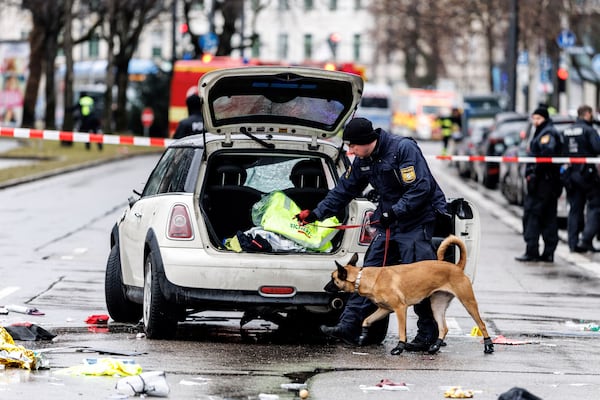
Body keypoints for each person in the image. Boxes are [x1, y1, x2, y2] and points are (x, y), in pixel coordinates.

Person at [295, 117, 449, 350]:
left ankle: (427, 335)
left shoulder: (402, 149)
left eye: (353, 146)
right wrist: (317, 214)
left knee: (419, 280)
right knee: (363, 276)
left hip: (416, 223)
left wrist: (394, 212)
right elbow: (344, 190)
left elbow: (420, 188)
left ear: (368, 141)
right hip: (389, 224)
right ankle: (348, 326)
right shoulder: (363, 159)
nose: (351, 151)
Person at [515, 107, 563, 263]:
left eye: (538, 119)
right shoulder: (542, 132)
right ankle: (547, 252)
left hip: (543, 183)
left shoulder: (547, 134)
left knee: (533, 216)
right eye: (534, 118)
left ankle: (533, 251)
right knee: (547, 217)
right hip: (545, 183)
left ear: (545, 119)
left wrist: (534, 173)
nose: (535, 122)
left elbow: (545, 156)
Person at [562, 105, 600, 252]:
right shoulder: (589, 130)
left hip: (571, 174)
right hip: (587, 175)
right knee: (595, 206)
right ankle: (586, 239)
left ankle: (572, 243)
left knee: (574, 209)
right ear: (587, 114)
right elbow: (597, 148)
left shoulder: (567, 130)